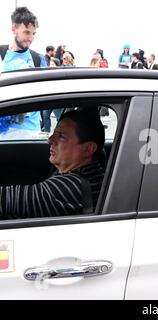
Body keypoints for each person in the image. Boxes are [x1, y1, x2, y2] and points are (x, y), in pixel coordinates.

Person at [0, 109, 105, 219]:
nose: (50, 140)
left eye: (62, 136)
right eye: (54, 133)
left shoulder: (69, 188)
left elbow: (7, 200)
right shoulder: (90, 172)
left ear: (88, 149)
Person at [0, 6, 47, 139]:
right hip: (4, 136)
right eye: (26, 32)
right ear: (13, 29)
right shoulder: (1, 55)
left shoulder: (38, 59)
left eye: (33, 33)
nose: (31, 38)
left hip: (31, 134)